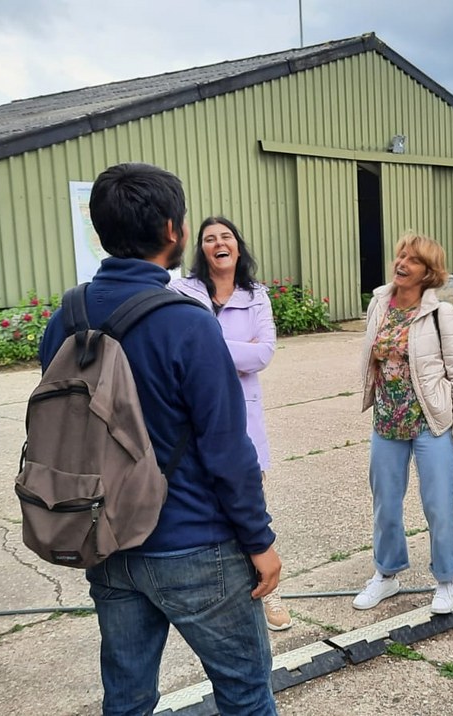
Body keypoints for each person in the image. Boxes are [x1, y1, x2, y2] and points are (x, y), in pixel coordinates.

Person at [39, 163, 279, 716]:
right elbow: (227, 450)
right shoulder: (188, 322)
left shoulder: (66, 317)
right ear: (173, 230)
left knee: (127, 699)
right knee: (245, 694)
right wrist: (260, 540)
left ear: (102, 231)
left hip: (105, 539)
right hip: (194, 542)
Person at [169, 216, 291, 632]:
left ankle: (270, 591)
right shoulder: (181, 292)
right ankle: (221, 592)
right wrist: (237, 349)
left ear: (237, 247)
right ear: (201, 249)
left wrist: (204, 347)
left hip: (241, 415)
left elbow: (264, 354)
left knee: (249, 503)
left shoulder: (256, 296)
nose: (218, 243)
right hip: (192, 415)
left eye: (226, 237)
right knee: (202, 503)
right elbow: (179, 347)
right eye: (209, 238)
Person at [354, 233, 453, 615]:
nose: (402, 263)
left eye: (413, 259)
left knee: (439, 504)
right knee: (385, 504)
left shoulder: (442, 314)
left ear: (428, 272)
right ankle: (387, 573)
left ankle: (447, 580)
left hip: (430, 422)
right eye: (401, 256)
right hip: (386, 421)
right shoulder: (379, 303)